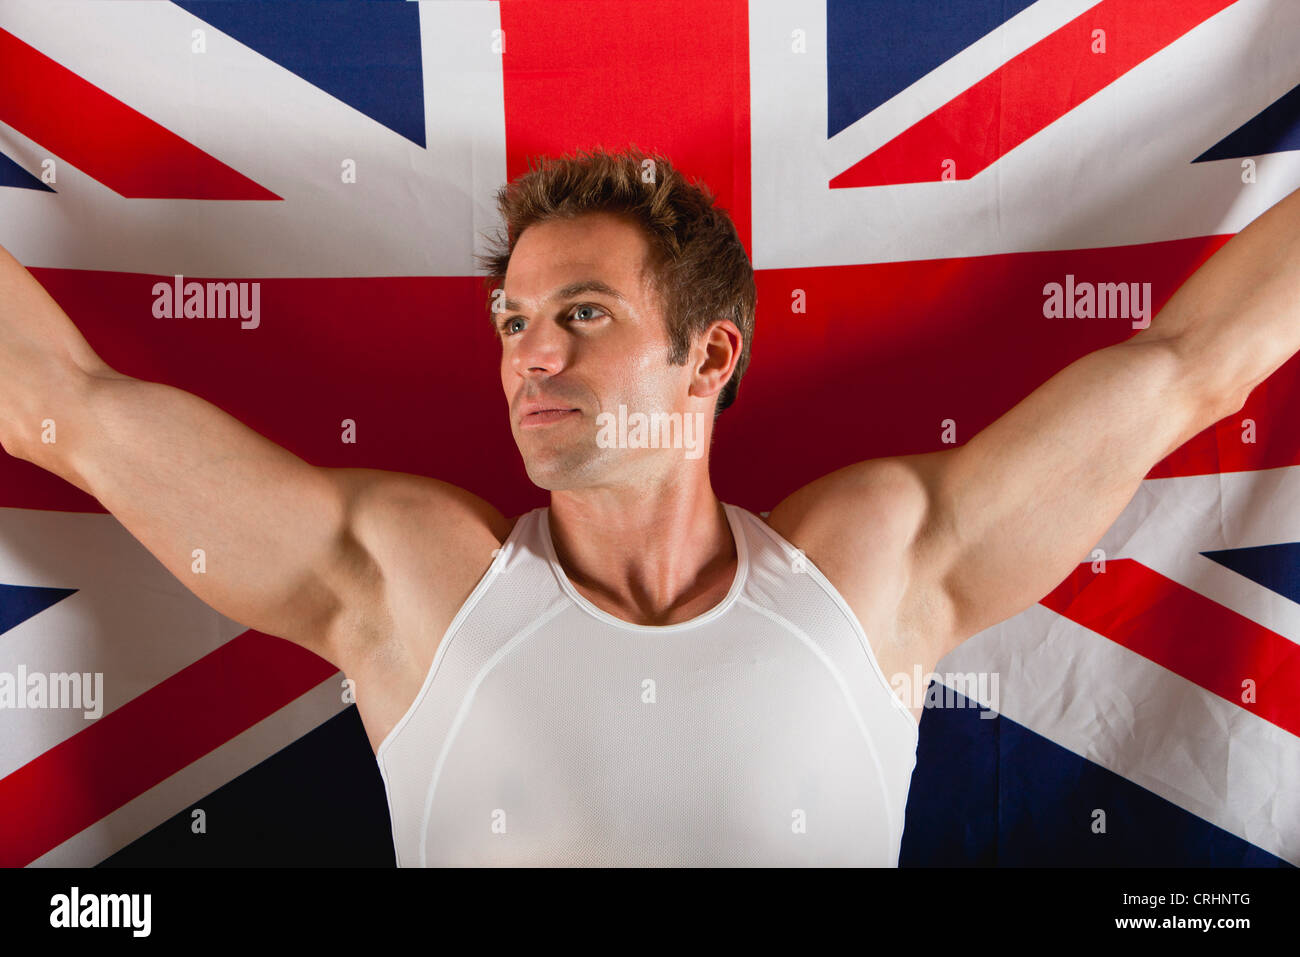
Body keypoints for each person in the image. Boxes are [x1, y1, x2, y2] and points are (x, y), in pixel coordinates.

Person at [1, 146, 1297, 865]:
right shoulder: (411, 582)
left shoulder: (874, 570)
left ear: (712, 354)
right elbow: (64, 405)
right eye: (514, 322)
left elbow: (1187, 371)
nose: (531, 357)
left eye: (582, 315)